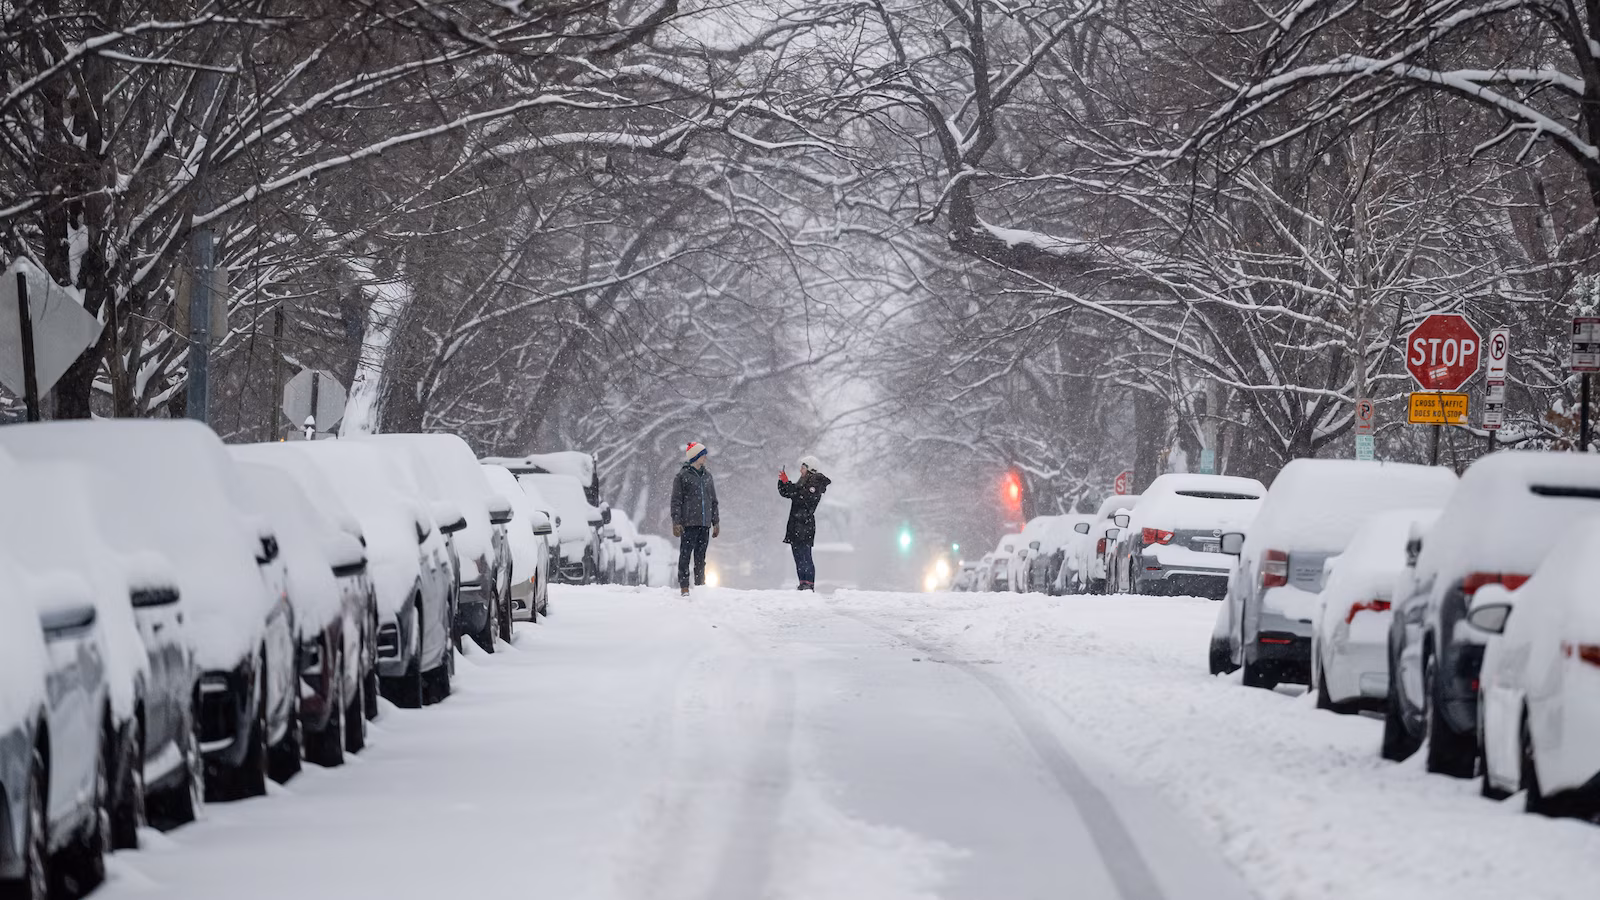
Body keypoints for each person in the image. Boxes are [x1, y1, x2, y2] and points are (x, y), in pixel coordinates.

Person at [670, 441, 719, 595]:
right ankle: (684, 586)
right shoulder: (682, 476)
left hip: (704, 524)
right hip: (689, 524)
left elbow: (713, 501)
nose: (705, 457)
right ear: (696, 456)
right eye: (703, 455)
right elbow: (676, 501)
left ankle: (700, 586)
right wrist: (676, 522)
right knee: (685, 555)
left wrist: (716, 522)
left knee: (700, 557)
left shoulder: (708, 477)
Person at [778, 455, 830, 590]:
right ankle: (802, 583)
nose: (800, 470)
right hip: (796, 524)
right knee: (798, 556)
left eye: (803, 467)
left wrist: (788, 484)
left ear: (810, 468)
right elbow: (788, 493)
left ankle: (809, 584)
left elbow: (802, 498)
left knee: (805, 555)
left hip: (804, 525)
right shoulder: (803, 482)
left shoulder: (815, 483)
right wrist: (783, 482)